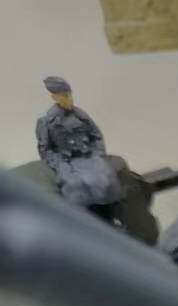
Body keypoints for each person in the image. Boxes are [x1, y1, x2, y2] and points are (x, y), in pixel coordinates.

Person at [35, 76, 123, 222]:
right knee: (74, 186)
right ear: (55, 98)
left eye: (69, 95)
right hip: (67, 162)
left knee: (105, 179)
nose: (69, 99)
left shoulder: (81, 115)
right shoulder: (46, 122)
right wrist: (59, 163)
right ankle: (83, 220)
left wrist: (98, 154)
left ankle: (112, 214)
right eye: (64, 96)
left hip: (89, 156)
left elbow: (96, 136)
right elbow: (45, 149)